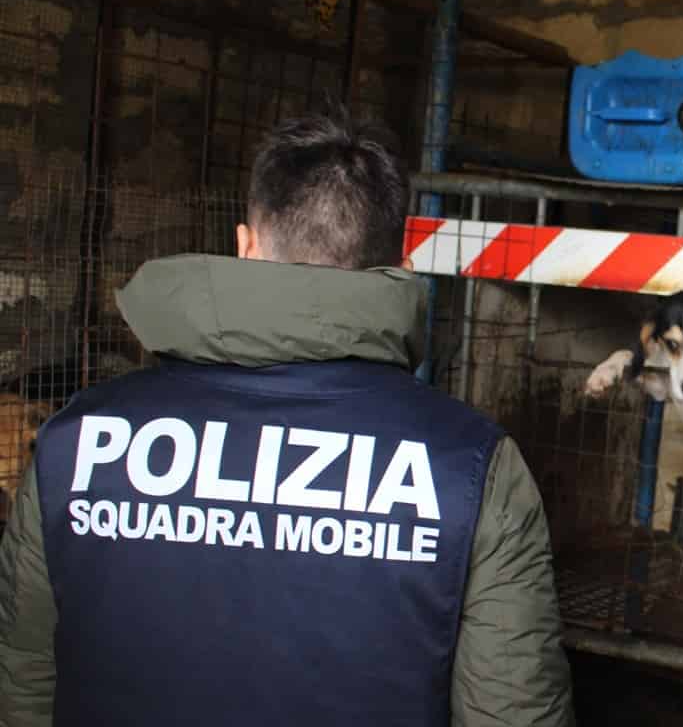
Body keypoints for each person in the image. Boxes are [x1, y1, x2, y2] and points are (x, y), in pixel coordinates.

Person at [0, 109, 574, 727]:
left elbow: (26, 689)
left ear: (245, 245)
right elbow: (511, 713)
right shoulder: (470, 469)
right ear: (401, 269)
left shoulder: (76, 442)